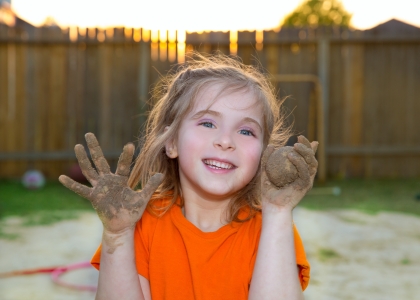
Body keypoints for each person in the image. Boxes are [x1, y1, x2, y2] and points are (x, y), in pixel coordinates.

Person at [59, 53, 318, 300]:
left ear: (263, 154)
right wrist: (117, 235)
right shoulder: (141, 224)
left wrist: (278, 211)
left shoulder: (271, 227)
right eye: (208, 123)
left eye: (247, 131)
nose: (226, 141)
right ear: (171, 142)